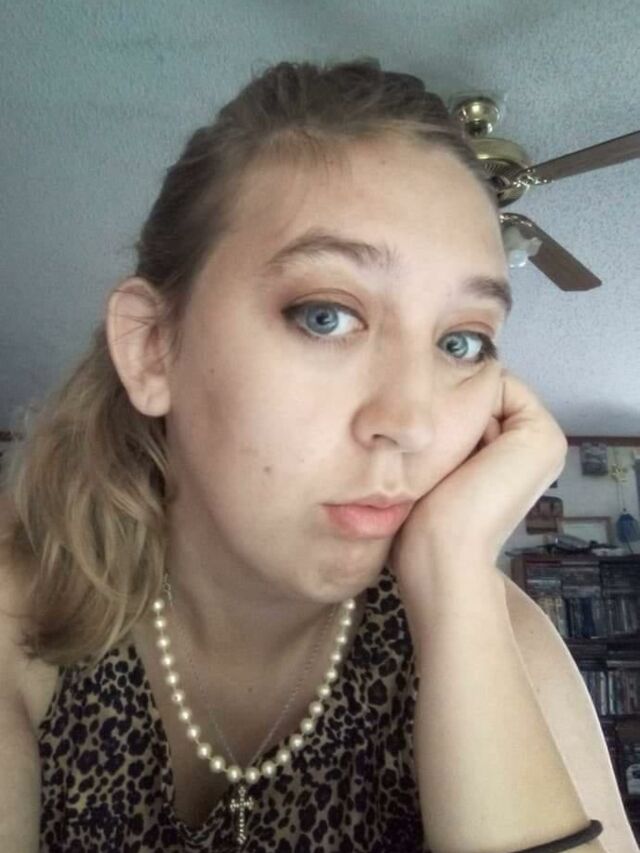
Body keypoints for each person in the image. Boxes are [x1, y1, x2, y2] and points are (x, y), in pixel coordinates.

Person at [0, 58, 615, 852]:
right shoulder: (22, 604)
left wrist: (458, 586)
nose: (412, 422)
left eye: (462, 341)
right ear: (153, 348)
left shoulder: (493, 636)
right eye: (326, 316)